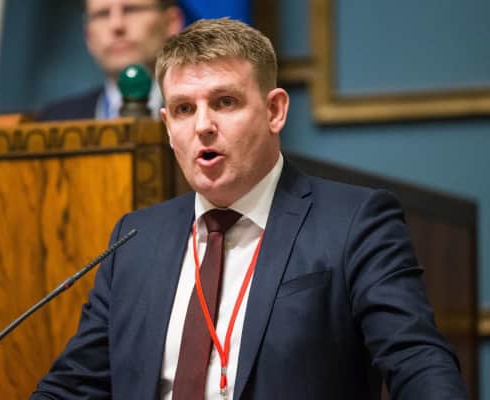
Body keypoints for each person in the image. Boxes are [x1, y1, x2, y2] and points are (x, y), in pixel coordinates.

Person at [31, 18, 467, 399]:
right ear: (167, 126)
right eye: (184, 109)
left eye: (225, 102)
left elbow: (417, 361)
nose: (203, 126)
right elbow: (73, 385)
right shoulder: (135, 240)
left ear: (274, 110)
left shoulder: (354, 223)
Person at [36, 0, 184, 121]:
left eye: (131, 9)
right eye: (103, 14)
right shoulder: (54, 121)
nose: (116, 25)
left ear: (171, 22)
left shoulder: (194, 113)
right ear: (88, 36)